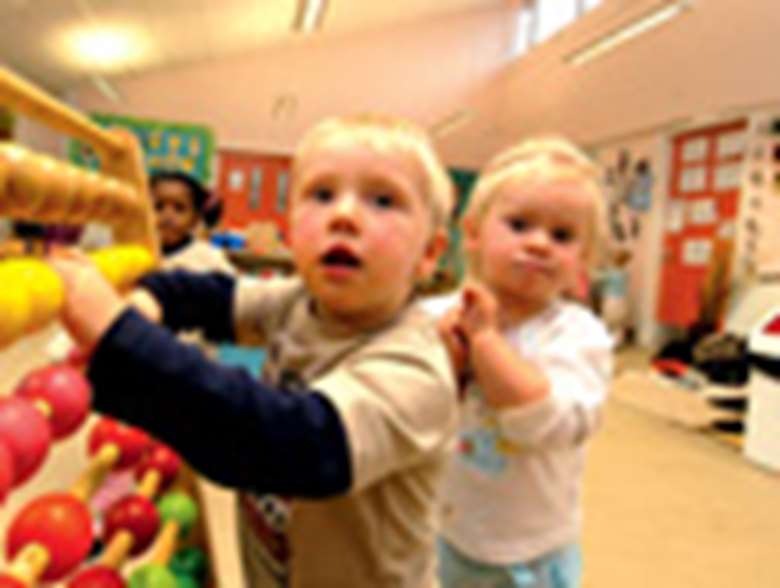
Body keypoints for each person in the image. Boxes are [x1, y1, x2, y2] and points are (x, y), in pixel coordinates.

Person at [51, 113, 459, 588]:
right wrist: (149, 301)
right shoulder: (300, 302)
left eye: (383, 201)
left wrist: (120, 336)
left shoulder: (416, 369)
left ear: (429, 254)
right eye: (321, 194)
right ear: (290, 228)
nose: (343, 215)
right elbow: (207, 295)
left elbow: (286, 444)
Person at [430, 136, 614, 588]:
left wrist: (486, 341)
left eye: (562, 236)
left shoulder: (577, 336)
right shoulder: (435, 316)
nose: (538, 244)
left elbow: (543, 423)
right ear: (472, 234)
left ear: (583, 260)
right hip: (441, 530)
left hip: (528, 555)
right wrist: (447, 354)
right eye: (519, 224)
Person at [149, 170, 235, 274]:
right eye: (158, 207)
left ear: (195, 219)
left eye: (179, 208)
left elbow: (228, 282)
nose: (168, 215)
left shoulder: (209, 258)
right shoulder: (132, 251)